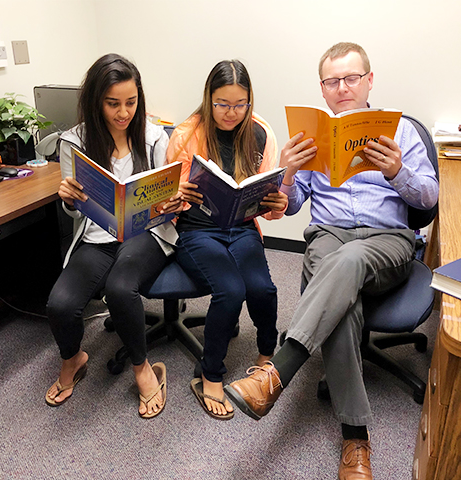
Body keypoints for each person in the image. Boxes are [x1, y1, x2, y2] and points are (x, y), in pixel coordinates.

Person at [225, 42, 439, 479]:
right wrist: (285, 171)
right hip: (327, 235)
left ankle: (277, 371)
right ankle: (355, 440)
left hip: (387, 240)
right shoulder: (311, 136)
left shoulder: (401, 133)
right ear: (322, 89)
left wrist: (397, 171)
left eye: (351, 78)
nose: (342, 87)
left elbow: (430, 200)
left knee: (351, 259)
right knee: (342, 305)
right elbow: (285, 206)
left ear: (369, 80)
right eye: (331, 81)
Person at [45, 54, 182, 419]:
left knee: (121, 288)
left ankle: (142, 368)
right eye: (113, 104)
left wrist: (172, 202)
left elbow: (166, 194)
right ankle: (74, 357)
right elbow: (73, 210)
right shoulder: (74, 141)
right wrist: (69, 199)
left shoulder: (153, 136)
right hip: (97, 235)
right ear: (95, 101)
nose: (124, 113)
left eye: (131, 102)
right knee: (59, 305)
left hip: (146, 233)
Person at [166, 59, 288, 420]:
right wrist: (177, 195)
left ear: (250, 101)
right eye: (222, 104)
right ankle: (210, 374)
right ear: (209, 98)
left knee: (263, 288)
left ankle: (267, 358)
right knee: (230, 290)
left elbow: (268, 204)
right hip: (197, 229)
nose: (231, 113)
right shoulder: (187, 135)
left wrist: (276, 204)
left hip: (242, 226)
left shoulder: (261, 132)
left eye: (240, 104)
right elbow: (165, 206)